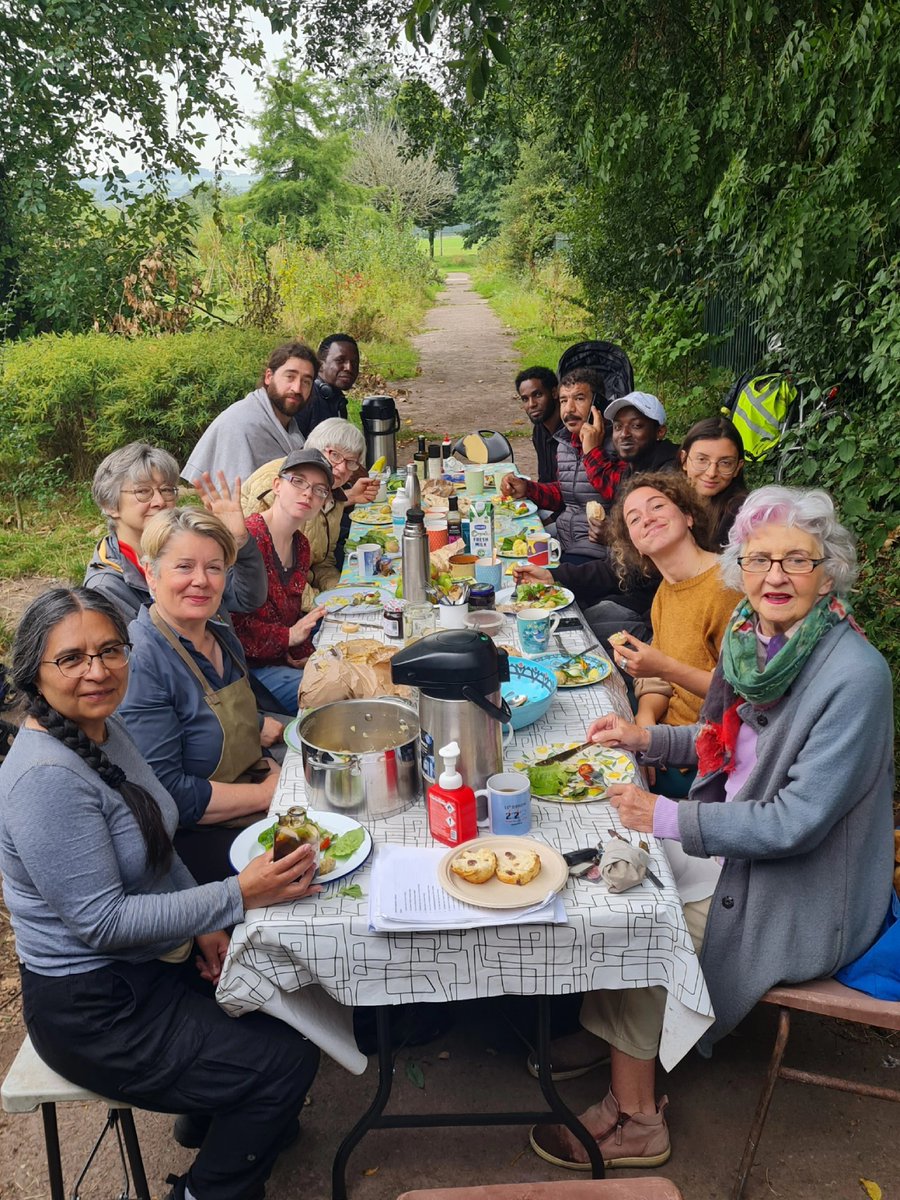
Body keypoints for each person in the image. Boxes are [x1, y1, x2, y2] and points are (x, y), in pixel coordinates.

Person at [529, 486, 894, 1171]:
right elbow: (717, 736)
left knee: (637, 910)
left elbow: (797, 823)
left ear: (829, 569)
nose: (775, 577)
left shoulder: (855, 676)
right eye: (759, 560)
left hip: (804, 889)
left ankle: (637, 1118)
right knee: (602, 869)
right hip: (736, 849)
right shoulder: (754, 639)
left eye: (796, 560)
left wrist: (665, 813)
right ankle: (616, 1041)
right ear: (741, 569)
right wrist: (645, 741)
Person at [0, 588, 322, 1200]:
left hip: (147, 963)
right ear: (33, 673)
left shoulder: (104, 729)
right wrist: (235, 896)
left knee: (289, 1007)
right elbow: (103, 924)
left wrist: (204, 925)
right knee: (283, 1065)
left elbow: (159, 839)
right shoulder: (45, 778)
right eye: (71, 659)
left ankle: (209, 1117)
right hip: (94, 1005)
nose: (97, 670)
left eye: (110, 650)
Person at [118, 508, 281, 884]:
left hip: (255, 798)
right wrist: (267, 795)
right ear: (150, 574)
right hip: (194, 844)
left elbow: (243, 726)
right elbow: (168, 793)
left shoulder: (220, 633)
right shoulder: (143, 663)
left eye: (214, 567)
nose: (201, 581)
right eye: (184, 567)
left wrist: (272, 770)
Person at [84, 442, 266, 623]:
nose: (159, 501)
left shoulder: (191, 545)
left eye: (166, 490)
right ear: (110, 505)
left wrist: (239, 541)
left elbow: (247, 598)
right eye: (143, 491)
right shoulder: (106, 588)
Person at [232, 450, 335, 715]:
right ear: (277, 485)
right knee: (332, 692)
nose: (308, 494)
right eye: (298, 481)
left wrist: (302, 651)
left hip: (282, 657)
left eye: (319, 489)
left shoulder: (301, 545)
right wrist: (288, 638)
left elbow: (292, 618)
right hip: (249, 672)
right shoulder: (247, 539)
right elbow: (231, 626)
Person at [241, 418, 380, 602]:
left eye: (351, 462)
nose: (341, 468)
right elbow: (272, 571)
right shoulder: (281, 479)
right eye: (335, 455)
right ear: (316, 448)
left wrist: (340, 592)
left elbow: (323, 562)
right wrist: (321, 603)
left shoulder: (332, 495)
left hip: (303, 590)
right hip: (266, 600)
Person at [501, 368, 611, 562]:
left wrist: (593, 452)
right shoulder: (565, 443)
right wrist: (527, 488)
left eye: (579, 399)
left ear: (597, 404)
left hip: (597, 551)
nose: (569, 409)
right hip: (567, 541)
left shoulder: (616, 445)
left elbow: (616, 491)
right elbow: (565, 492)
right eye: (563, 401)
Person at [182, 342, 317, 484]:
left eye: (306, 382)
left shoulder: (290, 428)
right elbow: (236, 497)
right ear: (269, 377)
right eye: (290, 377)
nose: (297, 388)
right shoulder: (241, 424)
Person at [678, 416, 747, 546]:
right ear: (684, 460)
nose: (711, 473)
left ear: (738, 467)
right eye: (702, 460)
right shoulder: (666, 501)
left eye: (725, 463)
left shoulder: (741, 515)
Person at [296, 333, 361, 438]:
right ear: (320, 365)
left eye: (354, 363)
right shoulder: (305, 398)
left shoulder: (336, 398)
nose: (349, 368)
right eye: (340, 361)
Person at [516, 366, 562, 484]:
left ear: (554, 393)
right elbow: (544, 479)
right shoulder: (539, 430)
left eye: (537, 395)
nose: (531, 404)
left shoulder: (572, 431)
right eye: (525, 399)